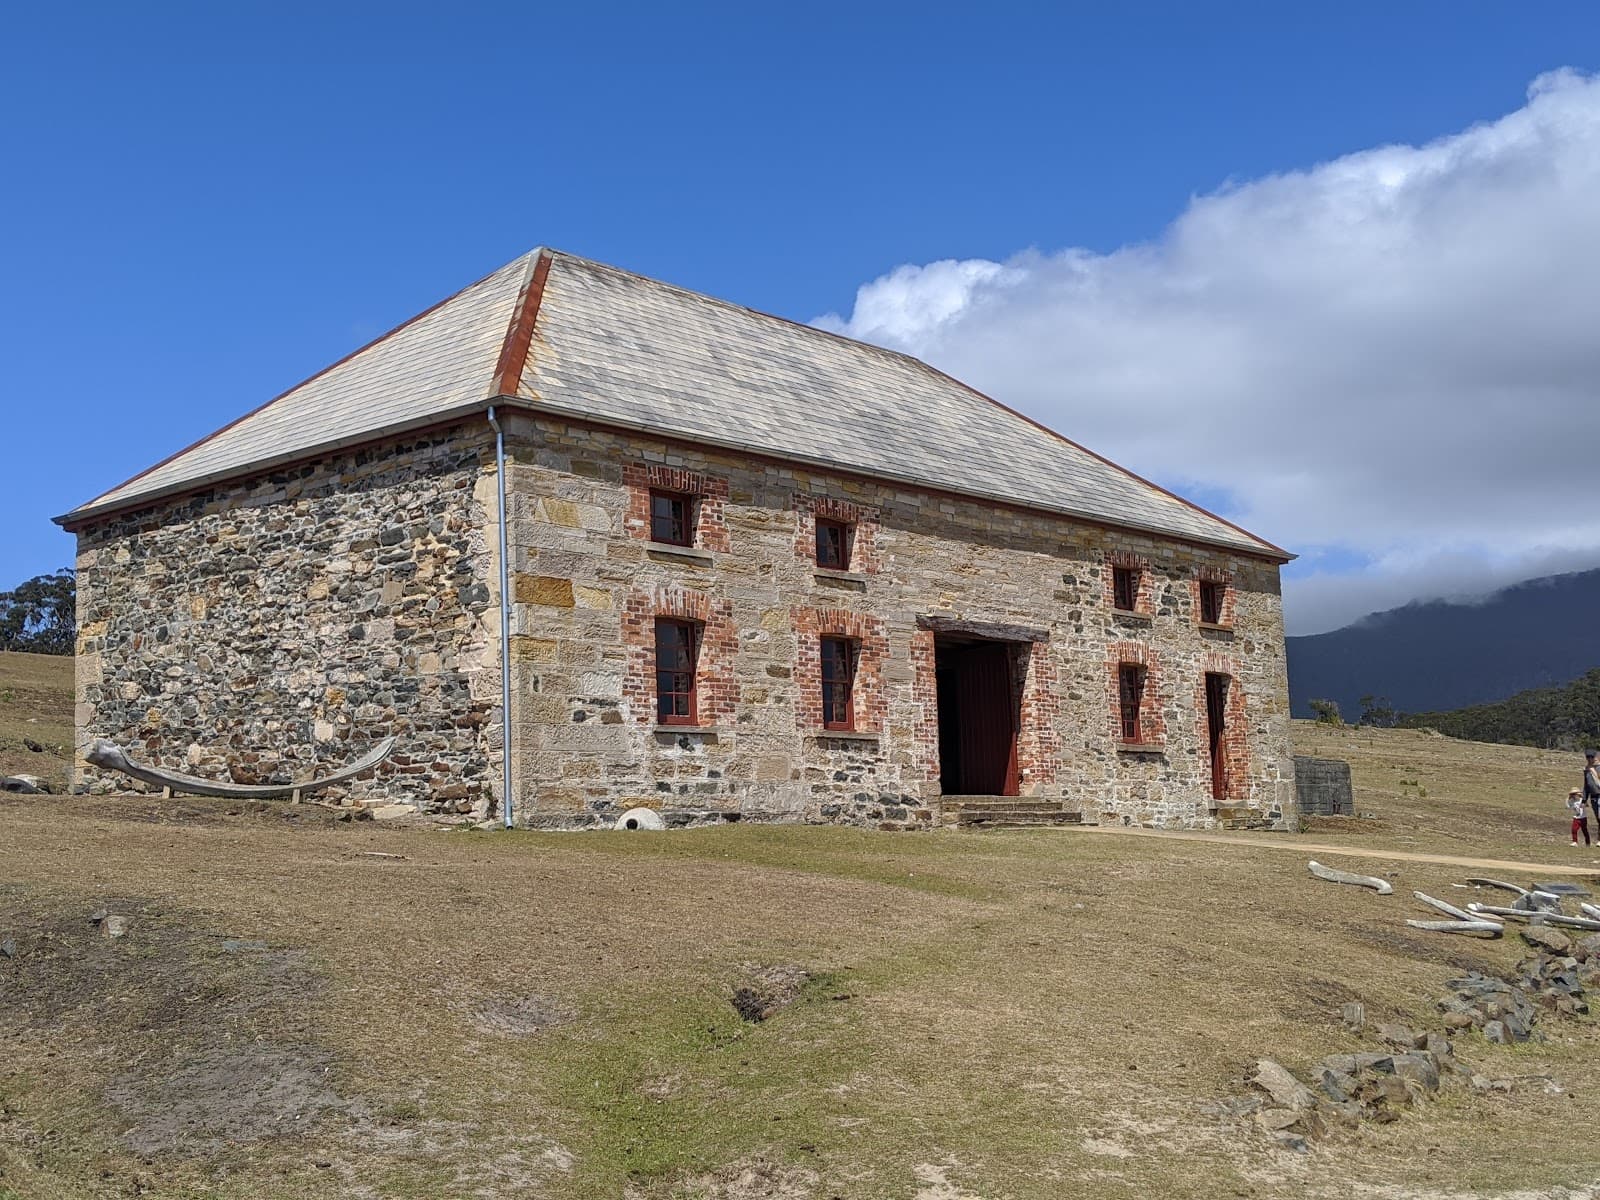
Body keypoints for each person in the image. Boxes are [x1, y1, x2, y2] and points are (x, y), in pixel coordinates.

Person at [1586, 751, 1600, 828]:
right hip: (1593, 797)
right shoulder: (1588, 770)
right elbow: (1587, 785)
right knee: (1598, 817)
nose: (1590, 759)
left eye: (1593, 757)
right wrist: (1584, 799)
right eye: (1588, 757)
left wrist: (1593, 772)